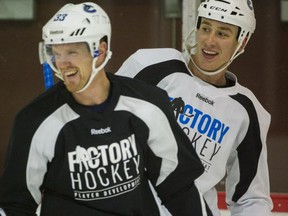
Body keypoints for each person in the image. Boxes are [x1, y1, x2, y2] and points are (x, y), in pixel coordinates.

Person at [0, 2, 211, 216]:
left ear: (100, 51)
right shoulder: (34, 120)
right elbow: (16, 206)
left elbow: (178, 187)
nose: (62, 63)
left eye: (72, 51)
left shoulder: (148, 104)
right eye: (56, 52)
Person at [116, 0, 273, 215]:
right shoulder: (149, 65)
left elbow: (251, 199)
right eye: (206, 28)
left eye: (223, 33)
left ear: (242, 41)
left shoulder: (247, 111)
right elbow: (101, 122)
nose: (209, 41)